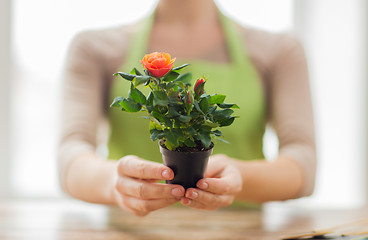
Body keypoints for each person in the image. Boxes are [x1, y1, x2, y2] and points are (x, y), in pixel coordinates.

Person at [59, 0, 316, 216]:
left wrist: (241, 177)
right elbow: (71, 157)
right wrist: (114, 183)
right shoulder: (94, 48)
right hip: (129, 231)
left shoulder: (279, 50)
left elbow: (303, 164)